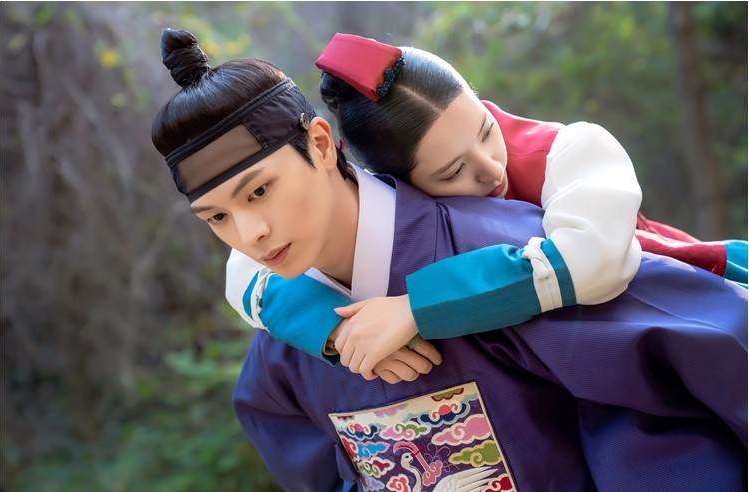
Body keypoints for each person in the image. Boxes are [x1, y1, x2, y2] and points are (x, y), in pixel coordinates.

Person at [152, 28, 747, 491]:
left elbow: (677, 365)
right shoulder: (285, 327)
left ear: (321, 144)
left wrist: (421, 306)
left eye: (260, 190)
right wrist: (322, 328)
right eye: (217, 218)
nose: (251, 234)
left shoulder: (512, 239)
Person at [225, 33, 748, 378]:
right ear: (400, 183)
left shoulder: (571, 150)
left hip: (703, 311)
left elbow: (595, 262)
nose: (492, 169)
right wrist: (336, 328)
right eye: (452, 172)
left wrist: (416, 307)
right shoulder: (394, 210)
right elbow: (243, 268)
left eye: (485, 130)